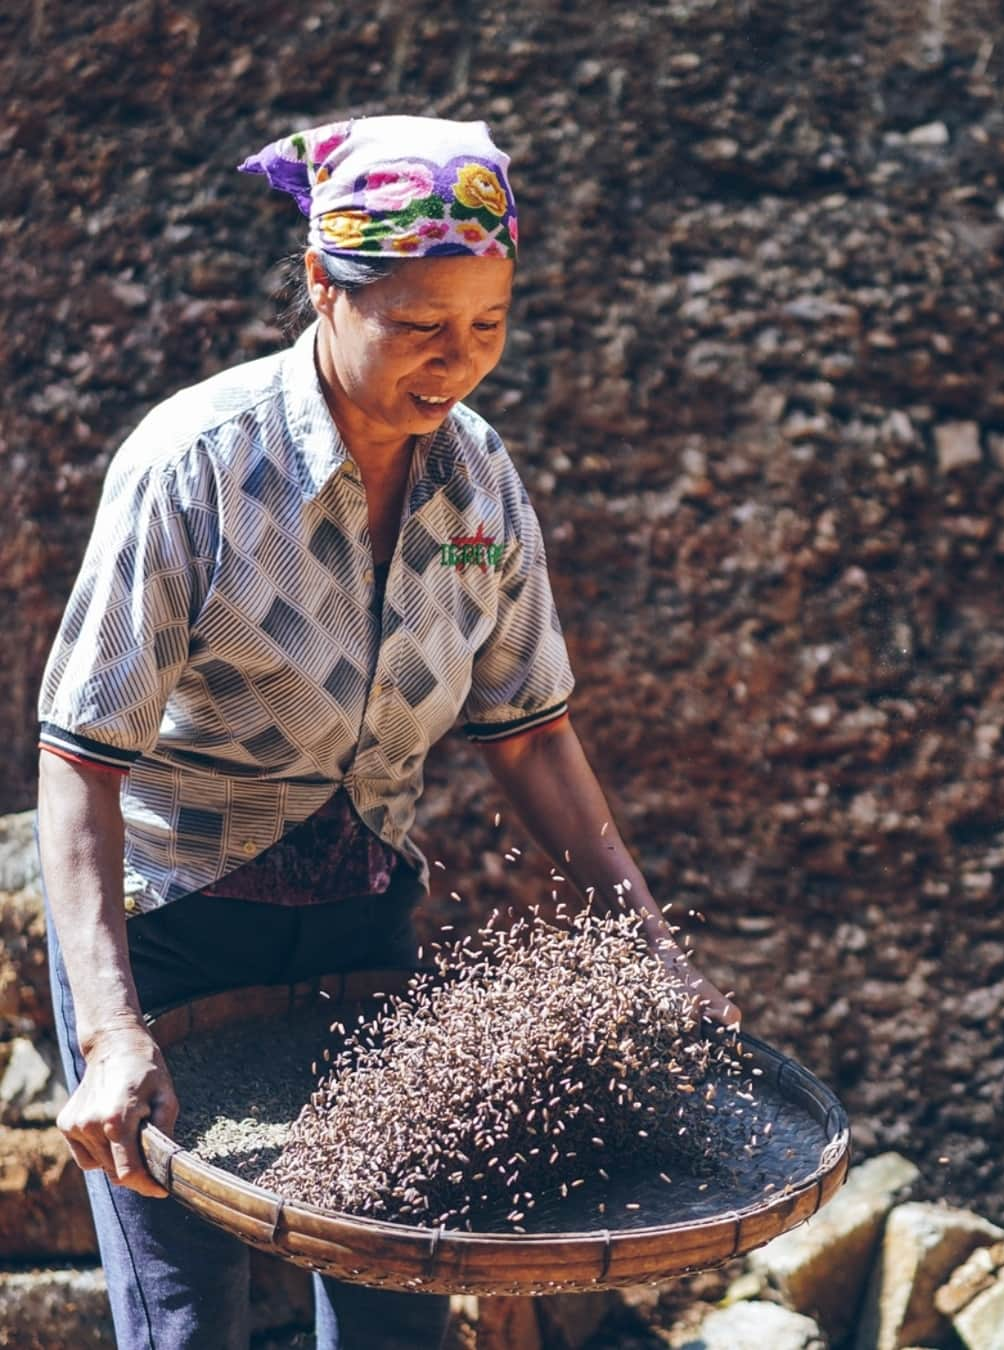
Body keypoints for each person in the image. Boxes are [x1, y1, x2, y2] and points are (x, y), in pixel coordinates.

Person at [36, 114, 740, 1350]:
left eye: (487, 327)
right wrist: (111, 1031)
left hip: (361, 929)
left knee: (394, 1313)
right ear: (320, 284)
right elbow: (79, 758)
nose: (455, 363)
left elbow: (530, 736)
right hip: (173, 932)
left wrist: (643, 944)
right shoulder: (196, 467)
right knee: (191, 1323)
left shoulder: (477, 484)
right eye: (419, 327)